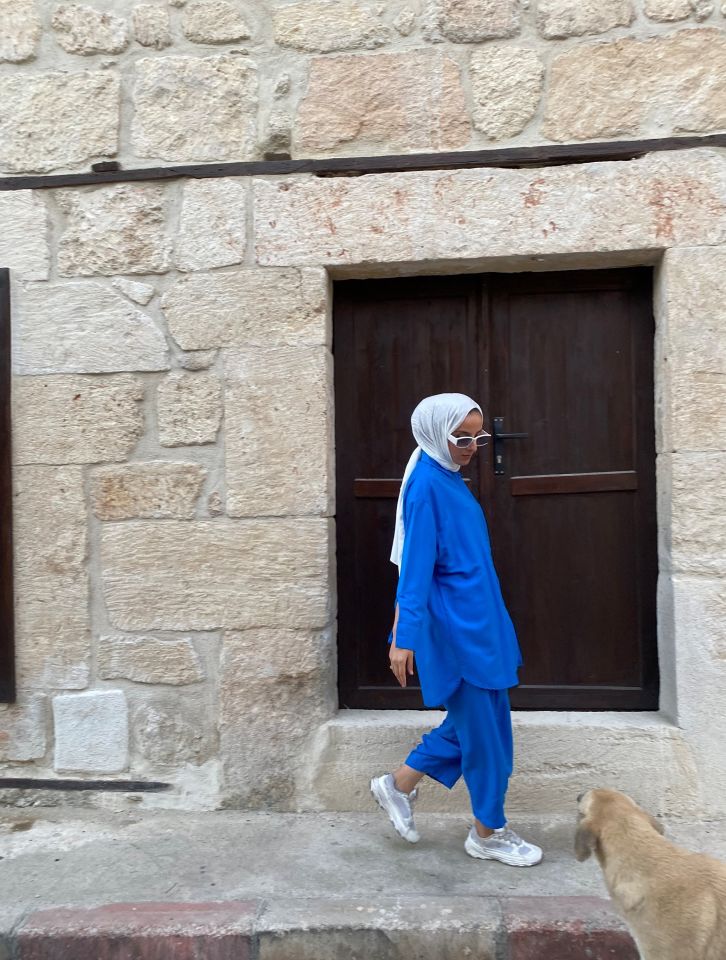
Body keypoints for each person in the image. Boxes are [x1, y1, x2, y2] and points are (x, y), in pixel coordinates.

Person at [370, 393, 543, 867]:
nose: (471, 447)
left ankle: (398, 785)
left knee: (482, 723)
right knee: (487, 740)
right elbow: (415, 568)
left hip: (481, 623)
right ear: (434, 434)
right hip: (458, 631)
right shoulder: (427, 485)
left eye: (476, 436)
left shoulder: (446, 475)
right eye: (461, 437)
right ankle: (488, 833)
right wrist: (403, 637)